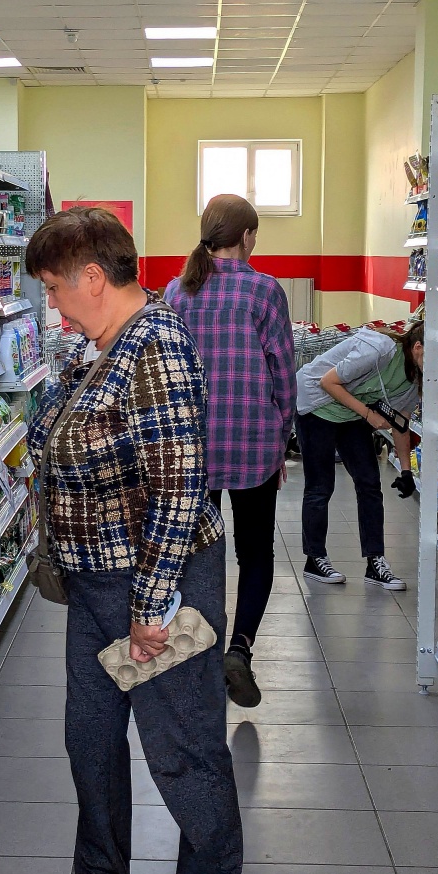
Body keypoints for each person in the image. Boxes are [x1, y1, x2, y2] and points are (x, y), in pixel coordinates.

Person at [26, 206, 242, 874]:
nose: (52, 305)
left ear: (93, 278)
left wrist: (151, 608)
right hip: (96, 588)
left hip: (156, 585)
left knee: (183, 752)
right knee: (90, 745)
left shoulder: (155, 346)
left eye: (55, 288)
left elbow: (179, 487)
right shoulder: (107, 344)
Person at [164, 193, 296, 710]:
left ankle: (199, 651)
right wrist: (283, 437)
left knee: (198, 554)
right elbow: (283, 373)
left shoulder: (178, 290)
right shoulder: (264, 291)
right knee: (255, 553)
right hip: (253, 446)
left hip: (194, 449)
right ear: (245, 237)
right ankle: (239, 650)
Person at [296, 321, 433, 588]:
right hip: (317, 407)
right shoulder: (379, 350)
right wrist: (368, 414)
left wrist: (406, 471)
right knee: (320, 487)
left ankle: (375, 562)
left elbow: (400, 422)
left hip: (351, 414)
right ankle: (315, 558)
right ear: (418, 347)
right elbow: (328, 382)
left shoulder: (415, 378)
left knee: (370, 484)